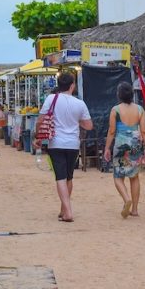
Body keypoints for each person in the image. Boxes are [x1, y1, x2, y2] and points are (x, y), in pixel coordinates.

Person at [39, 71, 93, 223]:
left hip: (55, 143)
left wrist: (38, 137)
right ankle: (64, 209)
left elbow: (41, 120)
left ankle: (68, 212)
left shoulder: (51, 99)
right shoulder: (80, 103)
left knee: (60, 177)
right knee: (69, 177)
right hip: (73, 144)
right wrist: (77, 121)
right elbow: (89, 125)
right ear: (72, 85)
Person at [103, 81, 145, 218]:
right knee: (134, 177)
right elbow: (144, 131)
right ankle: (134, 209)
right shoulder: (140, 110)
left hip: (121, 144)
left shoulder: (115, 110)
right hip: (136, 144)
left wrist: (107, 148)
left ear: (119, 95)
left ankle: (126, 198)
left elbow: (112, 131)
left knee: (118, 176)